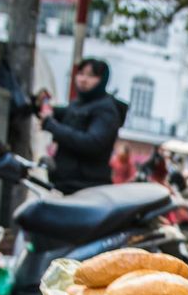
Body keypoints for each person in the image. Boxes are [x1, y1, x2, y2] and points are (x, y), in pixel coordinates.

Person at [38, 58, 126, 194]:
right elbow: (58, 113)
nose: (84, 79)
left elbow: (93, 143)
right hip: (64, 183)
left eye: (91, 76)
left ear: (102, 79)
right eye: (81, 74)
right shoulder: (76, 104)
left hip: (85, 187)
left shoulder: (106, 110)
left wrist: (52, 126)